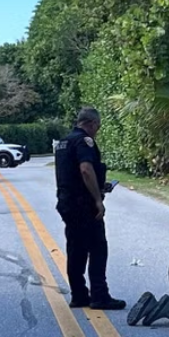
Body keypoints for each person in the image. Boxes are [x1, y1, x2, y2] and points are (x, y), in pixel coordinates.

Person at [54, 106, 125, 310]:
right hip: (84, 204)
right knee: (97, 248)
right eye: (98, 127)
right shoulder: (85, 141)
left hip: (67, 203)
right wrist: (97, 199)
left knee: (75, 249)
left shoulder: (63, 143)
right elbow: (85, 170)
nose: (97, 131)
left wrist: (100, 185)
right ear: (92, 123)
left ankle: (78, 295)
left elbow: (72, 174)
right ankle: (99, 296)